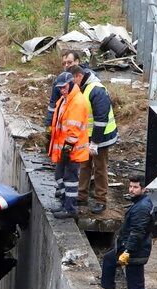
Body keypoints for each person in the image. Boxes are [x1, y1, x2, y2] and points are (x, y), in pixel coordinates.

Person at [101, 173, 153, 289]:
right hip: (131, 247)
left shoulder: (142, 208)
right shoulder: (140, 203)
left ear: (144, 188)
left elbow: (137, 232)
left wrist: (128, 251)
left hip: (135, 251)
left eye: (135, 187)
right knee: (109, 260)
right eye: (130, 186)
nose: (131, 190)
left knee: (135, 285)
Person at [73, 66, 118, 215]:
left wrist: (95, 143)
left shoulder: (96, 90)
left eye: (73, 80)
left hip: (101, 136)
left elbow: (100, 119)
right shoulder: (83, 88)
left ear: (79, 76)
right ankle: (82, 196)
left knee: (100, 168)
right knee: (84, 165)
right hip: (88, 136)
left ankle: (101, 200)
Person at [49, 66, 91, 219]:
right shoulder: (66, 100)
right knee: (60, 176)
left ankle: (70, 209)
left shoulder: (77, 102)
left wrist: (67, 149)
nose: (62, 90)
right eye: (60, 88)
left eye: (64, 87)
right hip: (65, 149)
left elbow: (74, 130)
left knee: (71, 180)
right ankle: (65, 203)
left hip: (72, 151)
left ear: (71, 84)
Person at [44, 50, 96, 129]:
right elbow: (53, 104)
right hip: (67, 124)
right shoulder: (59, 81)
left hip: (86, 127)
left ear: (77, 61)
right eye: (64, 63)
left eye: (69, 62)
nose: (66, 65)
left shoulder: (88, 78)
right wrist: (49, 124)